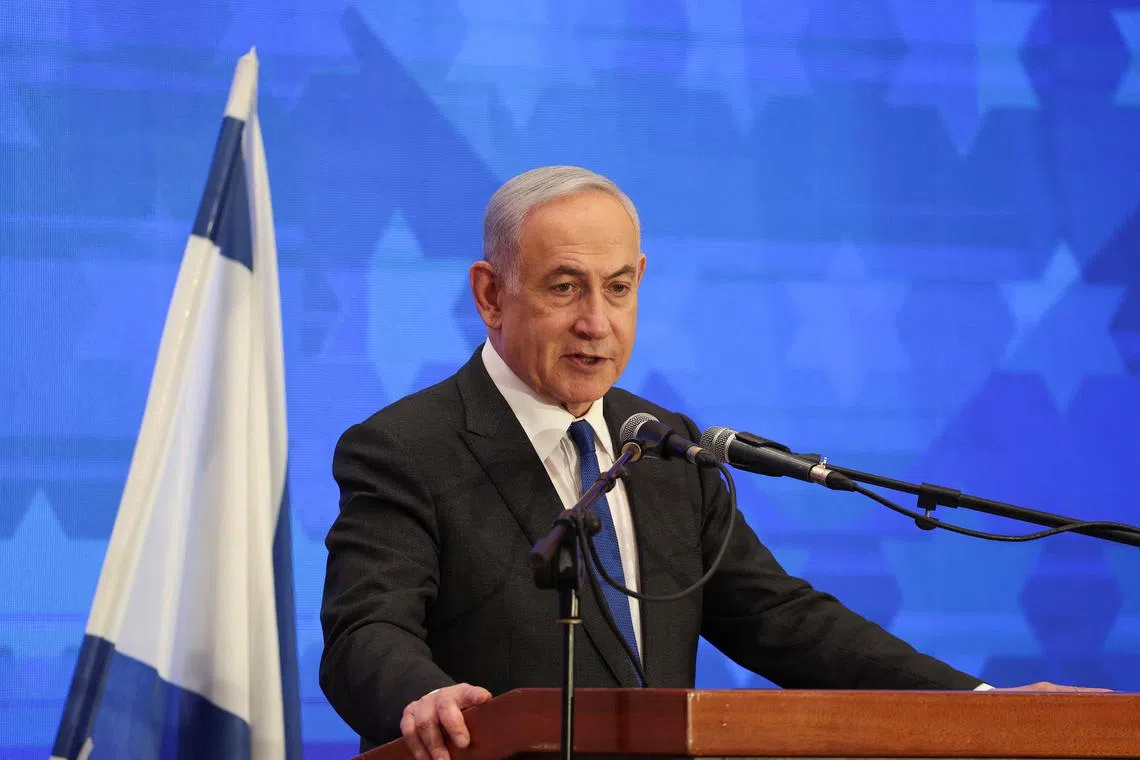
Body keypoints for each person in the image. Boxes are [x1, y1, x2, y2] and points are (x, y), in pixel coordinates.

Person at [320, 166, 1105, 760]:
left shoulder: (663, 444)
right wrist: (423, 695)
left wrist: (978, 703)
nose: (597, 323)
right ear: (491, 294)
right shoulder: (406, 448)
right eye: (564, 288)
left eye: (617, 289)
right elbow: (366, 628)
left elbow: (782, 620)